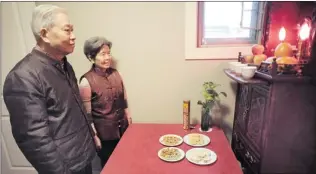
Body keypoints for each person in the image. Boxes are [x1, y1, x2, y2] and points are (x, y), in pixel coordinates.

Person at [3, 4, 96, 174]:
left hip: (83, 156)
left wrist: (91, 137)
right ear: (45, 34)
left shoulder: (64, 65)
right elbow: (34, 139)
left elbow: (72, 112)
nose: (74, 36)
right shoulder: (23, 77)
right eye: (67, 30)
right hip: (65, 167)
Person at [78, 36, 132, 167]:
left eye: (109, 53)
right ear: (91, 57)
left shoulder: (116, 74)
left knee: (126, 162)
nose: (107, 58)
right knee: (110, 166)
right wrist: (94, 136)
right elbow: (87, 114)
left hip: (122, 128)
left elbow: (123, 99)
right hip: (105, 135)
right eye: (103, 54)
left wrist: (128, 117)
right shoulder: (86, 81)